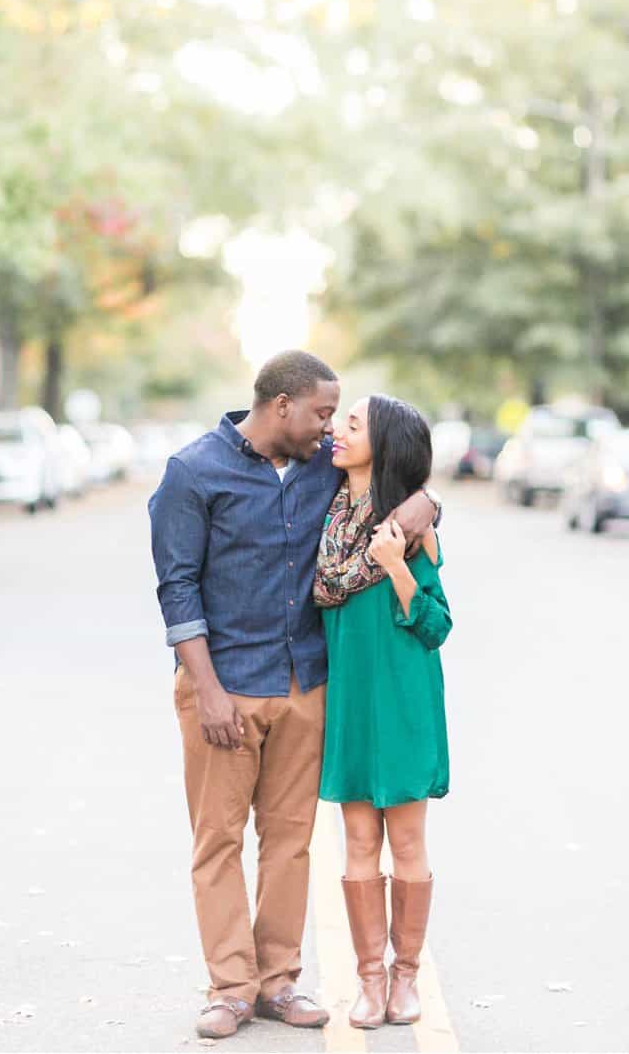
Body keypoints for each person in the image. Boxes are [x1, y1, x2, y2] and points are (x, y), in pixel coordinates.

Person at [148, 351, 441, 1042]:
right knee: (217, 840)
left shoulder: (321, 467)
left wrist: (429, 503)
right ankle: (229, 986)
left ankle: (277, 980)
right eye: (320, 412)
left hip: (306, 684)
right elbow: (177, 587)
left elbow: (401, 476)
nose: (330, 427)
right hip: (223, 689)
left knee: (290, 842)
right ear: (281, 405)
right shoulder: (193, 472)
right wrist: (209, 690)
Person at [313, 395, 451, 1029]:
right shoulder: (328, 511)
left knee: (408, 840)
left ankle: (406, 979)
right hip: (350, 700)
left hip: (404, 700)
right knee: (360, 840)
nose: (335, 430)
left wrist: (396, 567)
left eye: (351, 423)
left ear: (385, 444)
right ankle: (369, 980)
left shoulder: (410, 528)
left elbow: (436, 625)